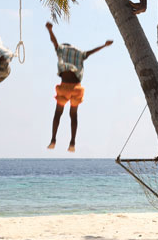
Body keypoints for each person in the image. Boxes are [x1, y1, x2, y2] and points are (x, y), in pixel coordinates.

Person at [46, 22, 113, 152]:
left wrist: (49, 29)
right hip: (76, 88)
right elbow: (91, 52)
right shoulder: (79, 53)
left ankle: (53, 139)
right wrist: (104, 45)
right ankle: (72, 143)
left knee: (58, 114)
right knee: (73, 115)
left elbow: (54, 42)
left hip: (64, 87)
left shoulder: (61, 50)